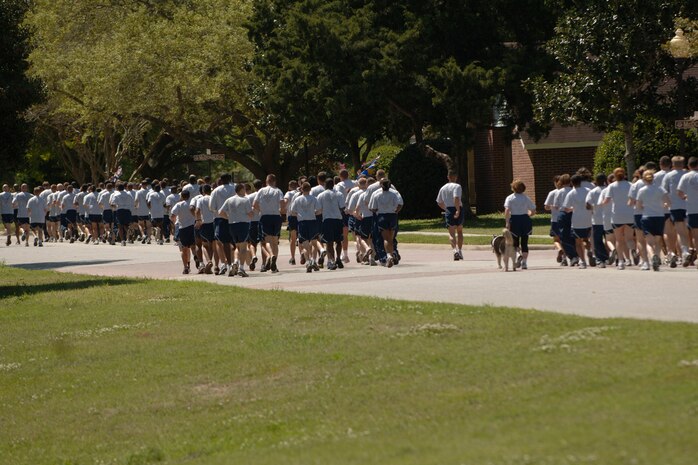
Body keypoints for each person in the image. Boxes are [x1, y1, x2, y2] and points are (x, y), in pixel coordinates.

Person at [601, 168, 634, 270]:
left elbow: (607, 200)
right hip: (629, 214)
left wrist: (600, 204)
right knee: (629, 238)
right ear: (624, 174)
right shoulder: (631, 185)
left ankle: (620, 262)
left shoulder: (612, 186)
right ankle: (633, 250)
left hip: (617, 216)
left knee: (619, 240)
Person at [637, 170, 670, 271]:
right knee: (658, 240)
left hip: (647, 216)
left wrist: (644, 206)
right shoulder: (660, 189)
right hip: (659, 216)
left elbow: (638, 206)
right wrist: (663, 205)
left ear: (643, 179)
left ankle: (652, 257)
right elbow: (668, 202)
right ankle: (657, 255)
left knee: (649, 242)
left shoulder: (642, 190)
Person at [219, 183, 253, 277]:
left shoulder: (229, 200)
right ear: (241, 189)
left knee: (236, 246)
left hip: (232, 225)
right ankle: (241, 268)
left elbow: (220, 212)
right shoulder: (245, 200)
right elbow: (250, 213)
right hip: (243, 224)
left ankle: (235, 262)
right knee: (243, 247)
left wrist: (229, 217)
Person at [253, 174, 284, 273]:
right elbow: (283, 204)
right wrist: (280, 210)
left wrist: (261, 209)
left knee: (267, 241)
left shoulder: (261, 191)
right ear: (274, 181)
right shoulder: (278, 191)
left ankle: (271, 255)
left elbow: (254, 204)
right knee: (275, 241)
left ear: (267, 181)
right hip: (276, 216)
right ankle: (274, 265)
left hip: (265, 216)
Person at [662, 156, 690, 266]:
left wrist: (667, 202)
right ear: (683, 164)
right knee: (688, 231)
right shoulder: (687, 175)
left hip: (675, 206)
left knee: (680, 231)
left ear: (673, 165)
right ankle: (687, 250)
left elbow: (663, 191)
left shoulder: (669, 176)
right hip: (690, 206)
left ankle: (683, 252)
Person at [369, 179, 402, 267]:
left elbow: (372, 207)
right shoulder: (395, 193)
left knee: (385, 238)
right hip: (392, 216)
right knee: (391, 238)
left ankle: (388, 255)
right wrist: (396, 211)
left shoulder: (376, 194)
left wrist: (377, 210)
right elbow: (400, 203)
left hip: (382, 216)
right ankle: (390, 254)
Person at [504, 179, 536, 270]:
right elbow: (533, 210)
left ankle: (518, 254)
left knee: (515, 241)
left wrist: (507, 221)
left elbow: (507, 210)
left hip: (514, 219)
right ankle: (525, 263)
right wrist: (529, 214)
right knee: (525, 242)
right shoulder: (526, 198)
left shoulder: (510, 198)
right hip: (525, 219)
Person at [562, 174, 592, 269]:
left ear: (572, 183)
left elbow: (566, 208)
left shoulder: (571, 193)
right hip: (588, 218)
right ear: (581, 182)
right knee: (587, 239)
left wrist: (573, 208)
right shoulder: (588, 191)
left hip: (577, 220)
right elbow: (592, 204)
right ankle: (590, 250)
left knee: (578, 242)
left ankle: (583, 261)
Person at [209, 173, 235, 275]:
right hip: (234, 218)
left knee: (220, 242)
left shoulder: (216, 191)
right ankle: (233, 262)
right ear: (230, 179)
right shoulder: (234, 189)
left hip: (219, 218)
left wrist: (218, 210)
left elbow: (211, 206)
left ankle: (225, 263)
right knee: (234, 242)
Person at [291, 182, 321, 272]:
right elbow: (319, 210)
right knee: (314, 243)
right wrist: (313, 213)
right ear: (310, 189)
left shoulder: (297, 199)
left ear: (301, 189)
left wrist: (299, 215)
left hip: (302, 222)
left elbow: (292, 212)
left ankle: (308, 261)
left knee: (304, 244)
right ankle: (314, 260)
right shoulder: (314, 199)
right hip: (312, 221)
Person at [317, 178, 345, 270]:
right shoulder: (339, 194)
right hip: (337, 219)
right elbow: (342, 207)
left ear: (325, 184)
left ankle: (331, 260)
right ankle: (338, 258)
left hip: (327, 219)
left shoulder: (321, 195)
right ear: (333, 184)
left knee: (329, 242)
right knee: (338, 241)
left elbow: (319, 209)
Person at [436, 170, 464, 261]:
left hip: (448, 209)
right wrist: (458, 210)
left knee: (451, 232)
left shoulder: (443, 188)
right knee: (459, 231)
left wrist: (446, 209)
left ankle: (454, 250)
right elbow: (456, 198)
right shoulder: (457, 186)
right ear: (455, 177)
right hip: (457, 208)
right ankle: (460, 251)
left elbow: (439, 202)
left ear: (448, 177)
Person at [677, 156, 698, 267]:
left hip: (692, 209)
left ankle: (692, 252)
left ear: (689, 166)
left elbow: (679, 192)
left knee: (695, 234)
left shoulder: (685, 176)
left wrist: (685, 197)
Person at [585, 173, 609, 268]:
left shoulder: (593, 192)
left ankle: (601, 259)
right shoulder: (609, 190)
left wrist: (593, 207)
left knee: (597, 240)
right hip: (609, 218)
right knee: (610, 239)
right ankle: (614, 256)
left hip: (597, 219)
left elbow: (587, 205)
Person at [170, 190, 196, 274]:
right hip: (192, 226)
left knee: (183, 249)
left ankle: (185, 267)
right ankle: (196, 257)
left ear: (181, 196)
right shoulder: (192, 204)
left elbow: (173, 215)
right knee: (193, 246)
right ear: (189, 196)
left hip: (182, 227)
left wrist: (175, 223)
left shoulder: (179, 205)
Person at [335, 169, 356, 262]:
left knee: (344, 234)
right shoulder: (355, 183)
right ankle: (359, 250)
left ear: (340, 176)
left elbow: (339, 197)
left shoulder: (339, 186)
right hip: (354, 209)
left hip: (343, 211)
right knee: (356, 233)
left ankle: (345, 254)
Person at [194, 184, 215, 274]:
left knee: (204, 245)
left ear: (202, 191)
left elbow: (197, 210)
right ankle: (210, 264)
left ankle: (209, 261)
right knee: (212, 245)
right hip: (213, 223)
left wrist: (198, 220)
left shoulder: (200, 199)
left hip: (204, 223)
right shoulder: (213, 198)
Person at [284, 180, 299, 265]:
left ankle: (293, 257)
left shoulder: (288, 193)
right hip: (299, 216)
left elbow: (285, 201)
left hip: (291, 216)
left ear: (289, 186)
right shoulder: (299, 192)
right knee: (301, 237)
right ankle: (302, 254)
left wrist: (283, 208)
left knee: (293, 238)